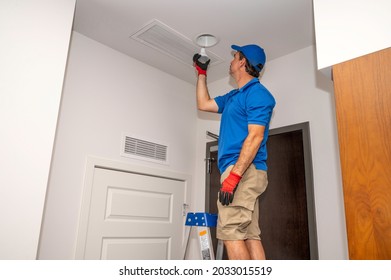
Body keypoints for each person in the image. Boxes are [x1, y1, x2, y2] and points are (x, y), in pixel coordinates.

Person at [193, 44, 276, 260]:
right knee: (250, 235)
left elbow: (255, 137)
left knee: (230, 232)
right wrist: (202, 74)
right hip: (241, 172)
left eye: (235, 56)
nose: (231, 60)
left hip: (243, 171)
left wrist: (234, 177)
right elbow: (203, 104)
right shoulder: (233, 96)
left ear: (242, 62)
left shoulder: (258, 93)